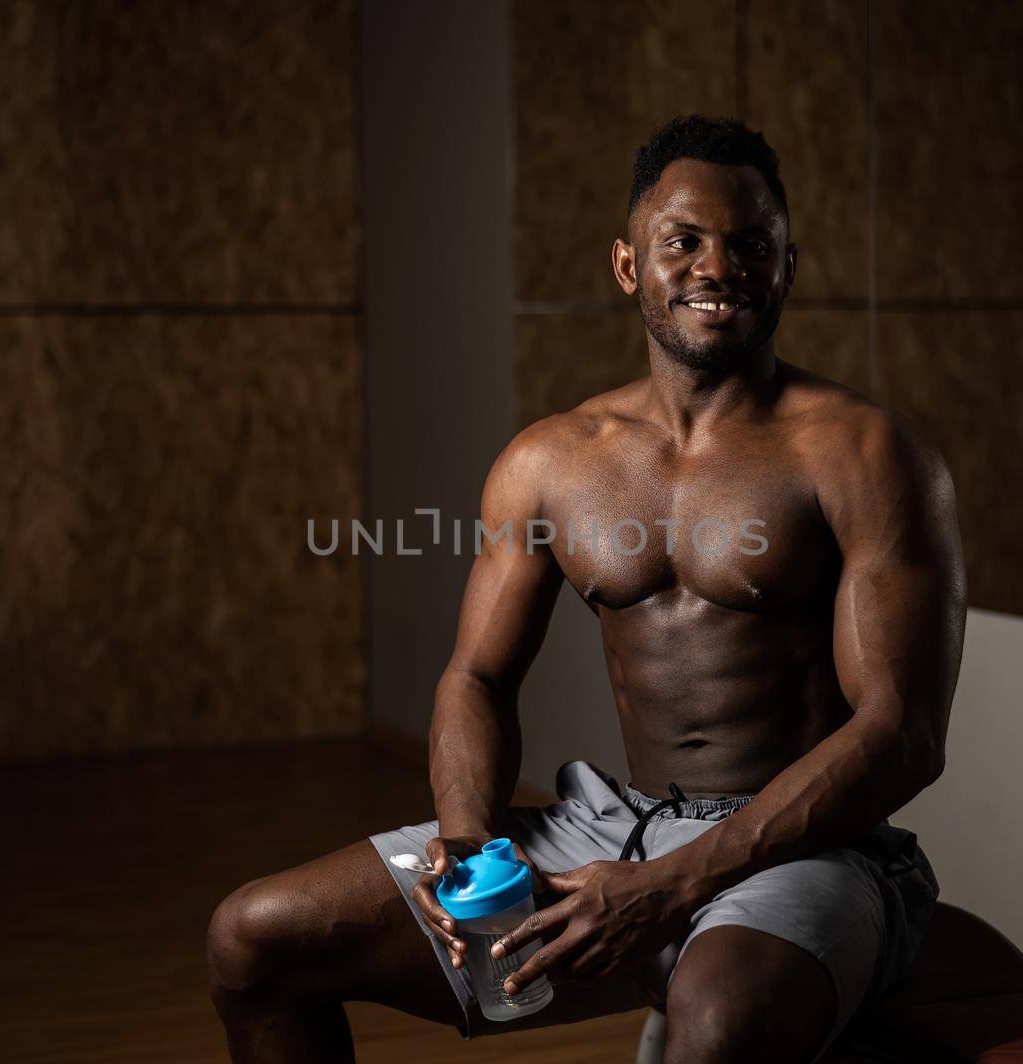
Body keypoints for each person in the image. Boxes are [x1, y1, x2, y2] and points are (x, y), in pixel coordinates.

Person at [207, 114, 966, 1063]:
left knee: (721, 1027)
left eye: (750, 245)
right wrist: (469, 842)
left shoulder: (865, 454)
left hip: (807, 849)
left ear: (786, 267)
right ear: (627, 267)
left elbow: (903, 733)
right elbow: (476, 678)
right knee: (254, 938)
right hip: (615, 826)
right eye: (682, 242)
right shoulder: (550, 462)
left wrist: (673, 887)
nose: (716, 267)